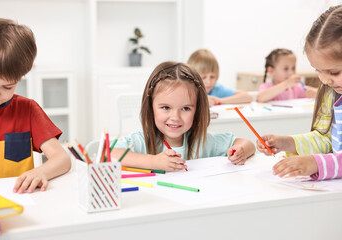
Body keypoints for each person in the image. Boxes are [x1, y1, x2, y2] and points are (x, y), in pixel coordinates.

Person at [112, 62, 255, 171]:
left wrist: (239, 151)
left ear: (197, 110)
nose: (175, 117)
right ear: (150, 107)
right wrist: (154, 162)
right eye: (166, 108)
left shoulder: (203, 142)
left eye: (186, 108)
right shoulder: (141, 140)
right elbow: (110, 154)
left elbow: (247, 143)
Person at [0, 18, 71, 193]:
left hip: (19, 201)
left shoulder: (28, 110)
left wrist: (42, 171)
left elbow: (62, 159)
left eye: (7, 86)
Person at [256, 5, 342, 180]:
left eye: (334, 73)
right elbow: (327, 140)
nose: (324, 80)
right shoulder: (330, 92)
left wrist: (316, 163)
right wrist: (287, 143)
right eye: (318, 70)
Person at [187, 49, 252, 107]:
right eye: (203, 77)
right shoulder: (187, 90)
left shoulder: (216, 89)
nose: (209, 82)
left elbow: (248, 97)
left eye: (212, 77)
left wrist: (219, 100)